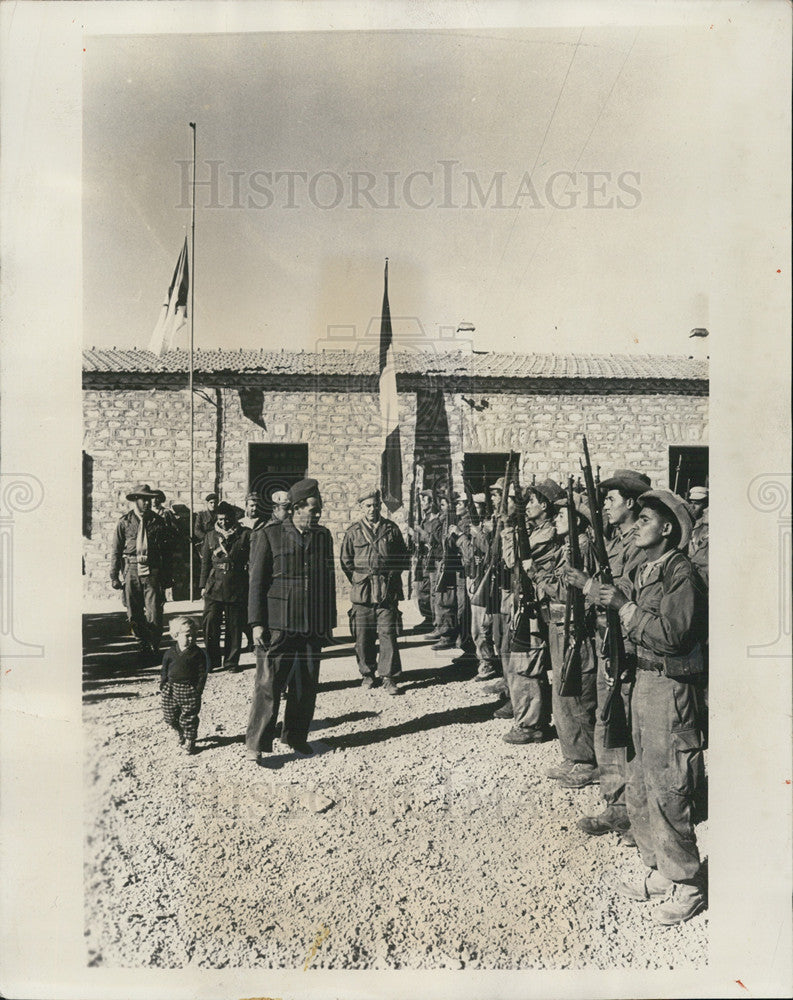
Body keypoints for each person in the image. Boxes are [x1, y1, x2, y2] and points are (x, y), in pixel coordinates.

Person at [597, 488, 707, 926]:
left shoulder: (681, 574)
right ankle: (663, 871)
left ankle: (689, 883)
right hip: (642, 679)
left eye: (645, 519)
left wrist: (623, 608)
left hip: (670, 685)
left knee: (670, 784)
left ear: (667, 529)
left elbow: (673, 635)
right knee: (641, 779)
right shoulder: (648, 570)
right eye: (637, 517)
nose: (636, 524)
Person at [565, 469, 650, 841]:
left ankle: (638, 813)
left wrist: (588, 585)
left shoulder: (640, 544)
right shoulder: (613, 540)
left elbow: (627, 593)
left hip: (628, 645)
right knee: (608, 722)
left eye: (611, 500)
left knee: (629, 729)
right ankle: (617, 806)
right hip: (607, 643)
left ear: (631, 502)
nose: (605, 506)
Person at [246, 478, 337, 759]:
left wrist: (327, 623)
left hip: (311, 626)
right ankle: (257, 744)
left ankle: (295, 737)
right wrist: (256, 623)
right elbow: (256, 583)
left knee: (305, 686)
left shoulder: (323, 536)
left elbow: (328, 582)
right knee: (269, 685)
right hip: (278, 625)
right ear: (297, 508)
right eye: (313, 508)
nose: (318, 514)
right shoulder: (270, 535)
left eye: (319, 508)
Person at [535, 492, 598, 787]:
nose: (556, 520)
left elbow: (567, 589)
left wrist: (537, 577)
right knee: (563, 693)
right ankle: (573, 755)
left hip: (574, 626)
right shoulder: (566, 545)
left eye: (562, 516)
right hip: (559, 623)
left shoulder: (581, 545)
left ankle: (587, 761)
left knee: (577, 692)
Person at [499, 478, 562, 745]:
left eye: (533, 501)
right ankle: (531, 717)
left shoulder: (548, 534)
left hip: (536, 606)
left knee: (526, 663)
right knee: (521, 660)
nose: (528, 506)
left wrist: (507, 533)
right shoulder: (534, 530)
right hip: (525, 601)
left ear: (546, 506)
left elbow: (512, 559)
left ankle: (531, 724)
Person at [340, 488, 409, 693]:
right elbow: (346, 562)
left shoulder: (391, 529)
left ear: (380, 506)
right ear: (361, 507)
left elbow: (403, 557)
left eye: (375, 505)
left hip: (387, 590)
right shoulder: (353, 532)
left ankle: (389, 676)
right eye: (368, 505)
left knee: (388, 633)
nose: (372, 509)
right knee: (363, 635)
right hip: (363, 591)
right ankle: (367, 674)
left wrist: (390, 576)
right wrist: (359, 579)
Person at [110, 483, 173, 663]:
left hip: (153, 570)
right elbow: (116, 550)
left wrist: (168, 576)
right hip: (131, 569)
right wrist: (114, 576)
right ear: (135, 500)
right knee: (133, 612)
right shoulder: (124, 522)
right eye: (143, 499)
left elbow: (166, 552)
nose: (147, 503)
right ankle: (142, 644)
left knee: (155, 611)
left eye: (148, 499)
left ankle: (154, 646)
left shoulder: (158, 521)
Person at [200, 501, 250, 673]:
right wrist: (202, 586)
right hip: (214, 585)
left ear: (233, 518)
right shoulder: (210, 536)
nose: (223, 522)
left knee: (234, 625)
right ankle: (212, 660)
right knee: (210, 623)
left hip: (237, 584)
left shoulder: (245, 535)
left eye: (227, 519)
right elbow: (205, 563)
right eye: (220, 519)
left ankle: (231, 662)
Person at [455, 493, 498, 680]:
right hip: (475, 577)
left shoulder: (488, 528)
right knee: (477, 626)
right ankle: (486, 661)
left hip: (487, 578)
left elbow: (482, 552)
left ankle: (488, 663)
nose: (475, 510)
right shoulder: (477, 528)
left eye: (479, 506)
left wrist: (468, 537)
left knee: (482, 626)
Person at [159, 616, 208, 755]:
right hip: (170, 688)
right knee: (169, 715)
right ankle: (180, 731)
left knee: (189, 716)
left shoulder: (198, 653)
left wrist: (197, 690)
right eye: (187, 635)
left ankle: (190, 740)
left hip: (188, 690)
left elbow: (202, 673)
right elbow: (164, 669)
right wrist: (163, 684)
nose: (191, 638)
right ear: (175, 635)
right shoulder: (170, 653)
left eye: (194, 635)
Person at [427, 492, 459, 651]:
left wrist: (435, 523)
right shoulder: (444, 520)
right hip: (442, 560)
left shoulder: (452, 520)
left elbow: (442, 539)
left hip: (450, 563)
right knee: (440, 597)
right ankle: (442, 629)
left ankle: (448, 635)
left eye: (444, 505)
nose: (442, 508)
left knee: (447, 600)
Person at [410, 488, 436, 627]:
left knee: (426, 590)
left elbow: (433, 540)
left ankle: (430, 619)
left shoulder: (433, 519)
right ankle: (427, 617)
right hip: (421, 559)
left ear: (431, 503)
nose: (422, 503)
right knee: (421, 589)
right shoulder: (424, 518)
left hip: (429, 559)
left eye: (424, 500)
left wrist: (420, 531)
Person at [687, 485, 709, 588]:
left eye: (697, 503)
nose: (692, 507)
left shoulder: (707, 526)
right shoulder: (689, 522)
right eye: (691, 502)